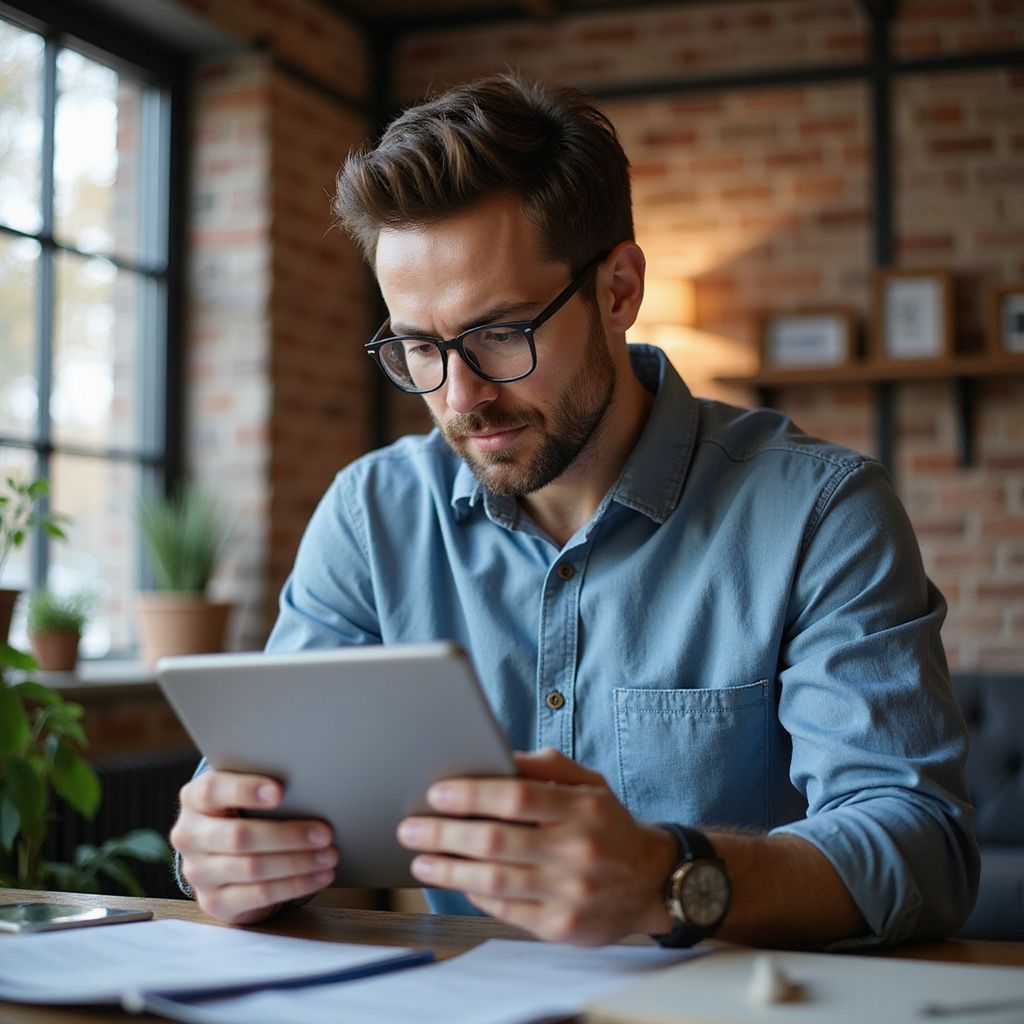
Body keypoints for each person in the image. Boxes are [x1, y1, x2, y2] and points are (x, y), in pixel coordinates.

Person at [170, 74, 978, 948]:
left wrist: (668, 878)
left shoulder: (821, 513)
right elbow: (259, 792)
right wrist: (224, 853)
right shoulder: (372, 518)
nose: (460, 395)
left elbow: (923, 851)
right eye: (417, 347)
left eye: (500, 333)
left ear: (619, 289)